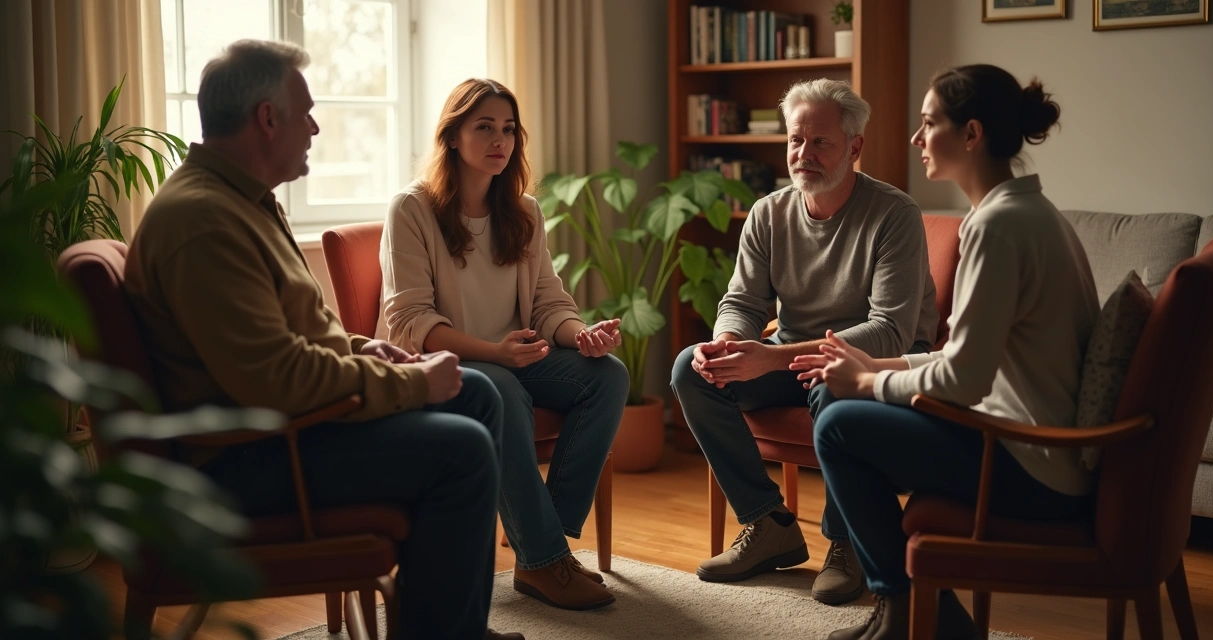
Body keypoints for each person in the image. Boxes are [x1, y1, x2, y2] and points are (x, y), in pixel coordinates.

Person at [124, 40, 521, 640]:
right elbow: (274, 379)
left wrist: (366, 350)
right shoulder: (203, 222)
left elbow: (299, 335)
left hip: (287, 430)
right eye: (305, 112)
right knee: (460, 449)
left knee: (477, 396)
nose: (313, 127)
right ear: (267, 119)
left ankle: (448, 621)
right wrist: (410, 380)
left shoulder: (246, 203)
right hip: (246, 457)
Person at [793, 64, 1099, 640]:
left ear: (971, 135)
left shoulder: (999, 227)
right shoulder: (1027, 213)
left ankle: (906, 611)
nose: (915, 138)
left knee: (837, 426)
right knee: (839, 411)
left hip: (1034, 464)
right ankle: (928, 616)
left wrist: (865, 385)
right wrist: (879, 365)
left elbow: (963, 380)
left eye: (929, 122)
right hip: (1028, 446)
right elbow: (968, 355)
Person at [669, 78, 939, 605]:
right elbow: (743, 304)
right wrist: (726, 345)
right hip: (787, 358)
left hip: (871, 362)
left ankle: (848, 541)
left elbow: (890, 329)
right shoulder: (769, 213)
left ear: (854, 148)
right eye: (796, 140)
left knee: (836, 384)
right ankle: (767, 524)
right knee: (689, 370)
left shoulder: (894, 214)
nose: (803, 154)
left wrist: (771, 356)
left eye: (821, 142)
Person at [380, 78, 629, 611]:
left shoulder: (524, 210)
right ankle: (544, 559)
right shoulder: (412, 210)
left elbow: (548, 302)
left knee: (608, 376)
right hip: (448, 366)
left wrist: (579, 335)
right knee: (500, 389)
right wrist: (493, 352)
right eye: (485, 127)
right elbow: (409, 321)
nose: (500, 140)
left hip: (515, 359)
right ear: (452, 136)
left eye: (509, 129)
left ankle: (545, 548)